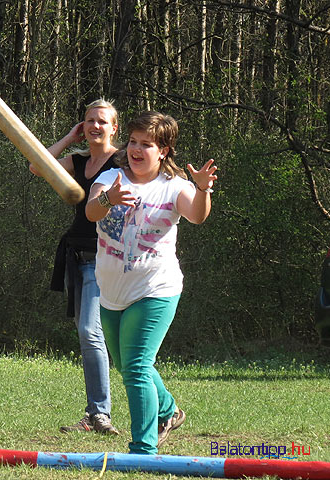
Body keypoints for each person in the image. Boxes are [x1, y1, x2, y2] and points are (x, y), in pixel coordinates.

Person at [86, 111, 218, 454]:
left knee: (137, 367)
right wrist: (108, 200)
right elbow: (91, 212)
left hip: (155, 289)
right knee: (126, 363)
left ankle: (143, 448)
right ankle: (168, 409)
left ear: (164, 151)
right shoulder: (111, 178)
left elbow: (198, 215)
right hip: (111, 291)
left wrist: (202, 187)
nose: (136, 149)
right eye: (132, 141)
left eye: (146, 144)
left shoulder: (174, 187)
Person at [31, 99, 119, 435]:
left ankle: (100, 414)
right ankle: (96, 414)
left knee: (90, 331)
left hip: (108, 259)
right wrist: (69, 138)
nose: (95, 127)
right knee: (90, 334)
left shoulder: (123, 158)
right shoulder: (79, 160)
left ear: (114, 128)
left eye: (102, 122)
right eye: (89, 121)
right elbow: (37, 167)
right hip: (79, 258)